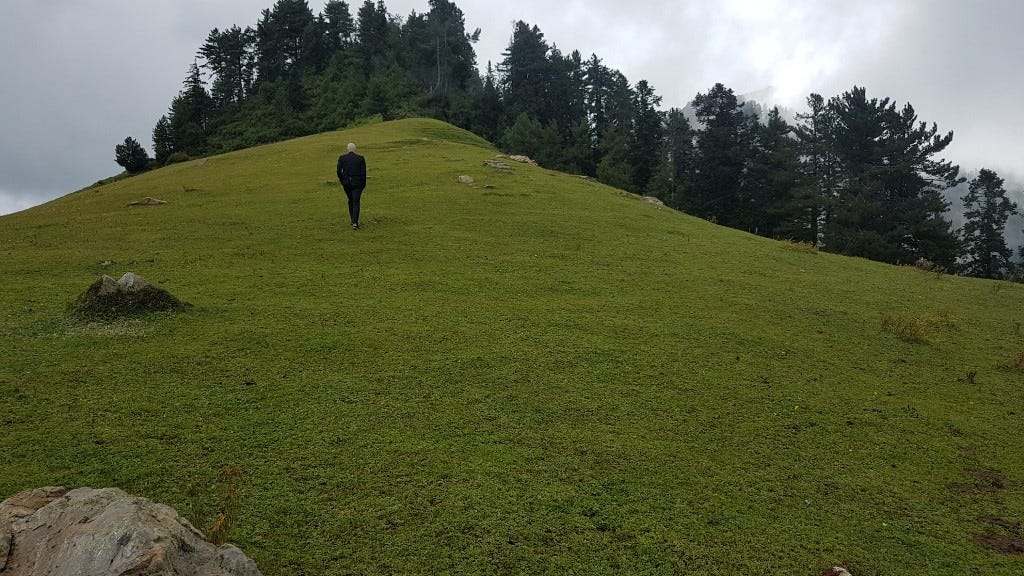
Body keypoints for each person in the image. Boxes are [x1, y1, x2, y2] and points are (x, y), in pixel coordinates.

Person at [336, 142, 367, 229]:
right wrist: (363, 183)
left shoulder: (342, 158)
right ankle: (355, 222)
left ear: (348, 149)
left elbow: (338, 171)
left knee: (350, 200)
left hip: (347, 183)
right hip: (357, 183)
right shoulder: (360, 158)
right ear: (355, 149)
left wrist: (342, 180)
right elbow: (363, 172)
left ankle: (352, 220)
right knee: (356, 201)